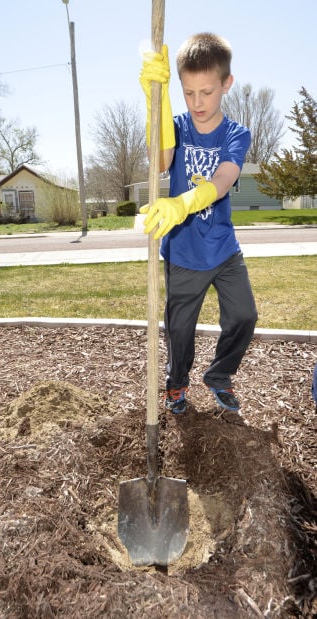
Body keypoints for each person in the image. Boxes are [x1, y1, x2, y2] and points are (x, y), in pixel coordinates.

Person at [139, 33, 258, 414]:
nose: (197, 103)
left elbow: (223, 180)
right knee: (179, 330)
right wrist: (154, 100)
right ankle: (176, 385)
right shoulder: (177, 125)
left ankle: (219, 376)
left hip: (223, 249)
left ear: (227, 83)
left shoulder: (236, 134)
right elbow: (160, 161)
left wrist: (186, 201)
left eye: (206, 92)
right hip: (183, 252)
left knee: (244, 316)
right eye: (188, 92)